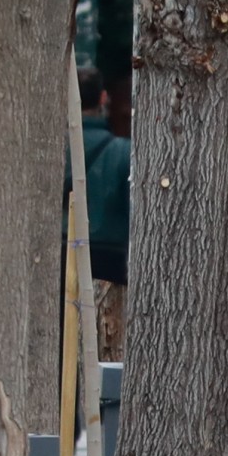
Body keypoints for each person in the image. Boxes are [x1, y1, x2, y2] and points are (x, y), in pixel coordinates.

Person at [77, 67, 131, 361]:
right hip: (110, 268)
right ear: (103, 98)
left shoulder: (47, 151)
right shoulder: (122, 153)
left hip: (59, 263)